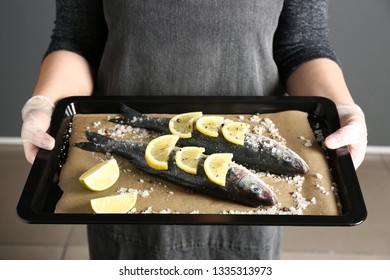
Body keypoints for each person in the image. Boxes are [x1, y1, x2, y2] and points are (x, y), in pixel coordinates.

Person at [20, 0, 367, 259]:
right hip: (126, 183)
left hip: (245, 225)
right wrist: (45, 103)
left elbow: (301, 46)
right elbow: (78, 41)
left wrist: (343, 108)